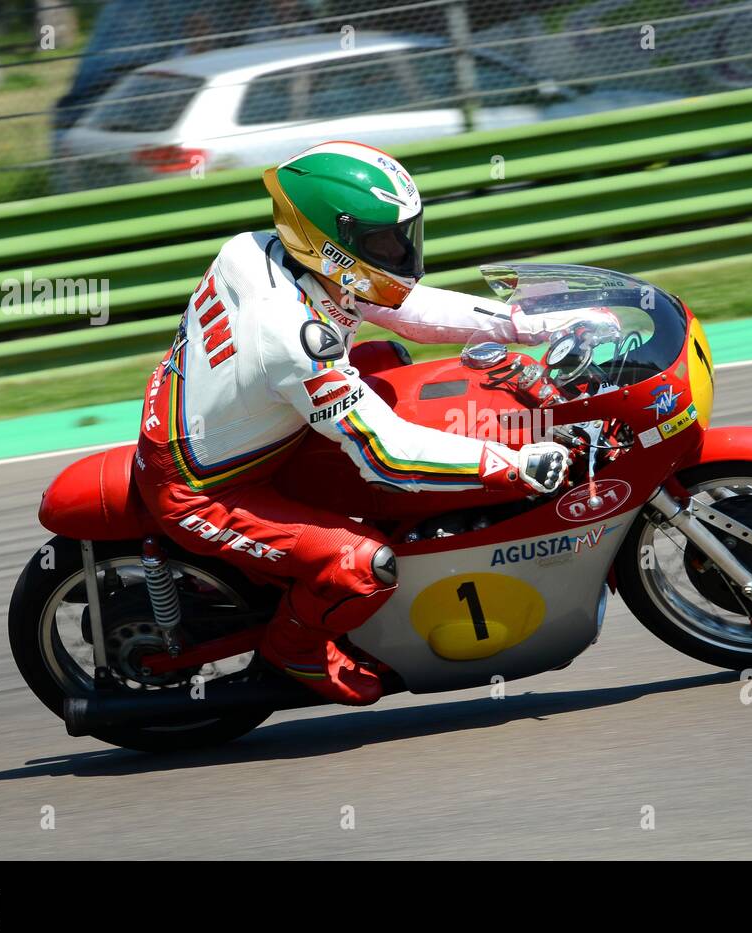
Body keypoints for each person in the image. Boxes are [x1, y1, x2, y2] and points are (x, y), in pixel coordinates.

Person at [134, 140, 570, 706]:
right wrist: (513, 467)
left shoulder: (258, 251)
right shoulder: (292, 336)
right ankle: (292, 649)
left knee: (390, 362)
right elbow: (388, 457)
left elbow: (407, 310)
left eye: (401, 235)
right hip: (202, 489)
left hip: (242, 424)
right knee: (364, 564)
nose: (398, 251)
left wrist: (524, 323)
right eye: (381, 241)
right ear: (329, 241)